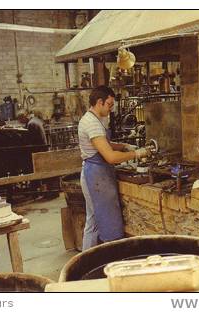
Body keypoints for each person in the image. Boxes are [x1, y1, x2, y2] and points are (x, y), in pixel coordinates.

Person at [78, 86, 150, 250]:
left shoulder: (93, 119)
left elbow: (103, 144)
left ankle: (85, 259)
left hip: (97, 173)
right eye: (109, 105)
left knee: (93, 221)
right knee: (102, 221)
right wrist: (138, 153)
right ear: (99, 102)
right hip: (96, 176)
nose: (111, 109)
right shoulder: (92, 124)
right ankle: (95, 259)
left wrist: (124, 146)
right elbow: (110, 157)